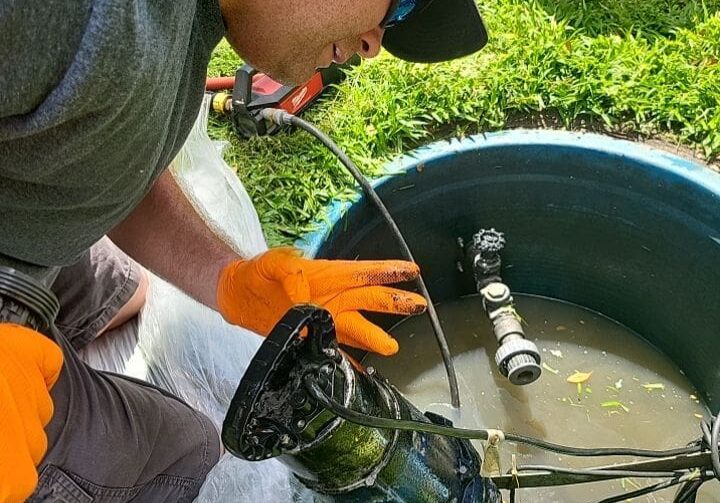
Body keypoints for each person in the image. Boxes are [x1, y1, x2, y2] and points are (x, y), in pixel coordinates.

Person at [0, 0, 488, 500]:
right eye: (398, 4)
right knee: (182, 452)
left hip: (26, 220)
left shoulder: (181, 25)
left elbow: (98, 147)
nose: (374, 42)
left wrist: (227, 279)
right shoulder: (85, 20)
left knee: (123, 289)